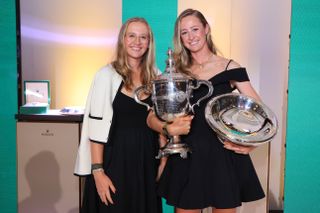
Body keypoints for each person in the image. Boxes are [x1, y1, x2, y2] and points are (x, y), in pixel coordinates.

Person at [147, 9, 265, 213]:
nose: (191, 36)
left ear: (206, 29)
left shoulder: (229, 67)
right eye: (184, 32)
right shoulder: (175, 71)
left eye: (195, 29)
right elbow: (153, 114)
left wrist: (252, 144)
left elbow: (258, 111)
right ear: (180, 38)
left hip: (222, 155)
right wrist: (168, 131)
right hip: (187, 154)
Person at [74, 17, 163, 213]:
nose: (137, 42)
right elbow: (95, 126)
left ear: (149, 43)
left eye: (143, 37)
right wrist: (98, 172)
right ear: (123, 39)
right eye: (131, 36)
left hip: (146, 162)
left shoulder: (157, 76)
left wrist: (163, 162)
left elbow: (162, 123)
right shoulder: (106, 74)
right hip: (114, 161)